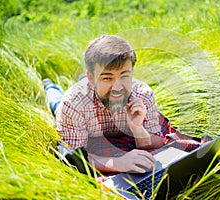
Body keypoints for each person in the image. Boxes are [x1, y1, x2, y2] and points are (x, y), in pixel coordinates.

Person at [44, 34, 210, 175]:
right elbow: (75, 156)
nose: (117, 88)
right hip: (75, 103)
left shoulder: (142, 95)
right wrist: (117, 163)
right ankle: (50, 85)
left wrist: (138, 129)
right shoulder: (73, 103)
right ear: (91, 78)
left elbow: (155, 140)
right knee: (55, 101)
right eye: (107, 78)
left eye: (124, 76)